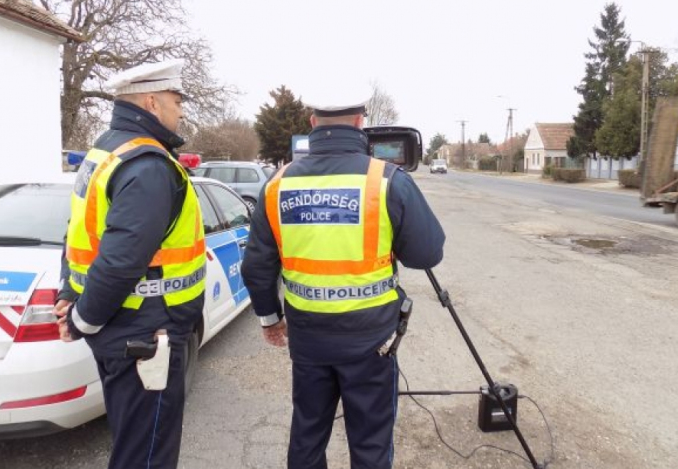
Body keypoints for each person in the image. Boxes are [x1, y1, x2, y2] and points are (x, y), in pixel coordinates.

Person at [240, 86, 445, 469]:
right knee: (369, 444)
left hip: (308, 337)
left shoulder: (277, 184)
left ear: (313, 123)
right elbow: (427, 253)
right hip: (372, 340)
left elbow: (256, 266)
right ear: (360, 122)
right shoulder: (386, 180)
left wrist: (270, 319)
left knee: (307, 434)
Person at [54, 59, 207, 469]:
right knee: (147, 453)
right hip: (146, 332)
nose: (181, 110)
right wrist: (83, 317)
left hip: (123, 329)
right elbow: (121, 260)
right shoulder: (148, 165)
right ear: (152, 102)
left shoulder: (105, 151)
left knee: (132, 443)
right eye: (177, 100)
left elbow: (76, 230)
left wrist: (69, 293)